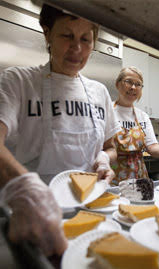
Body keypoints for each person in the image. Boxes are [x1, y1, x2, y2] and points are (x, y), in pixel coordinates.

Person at [0, 4, 120, 256]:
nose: (77, 48)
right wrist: (24, 188)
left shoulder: (99, 92)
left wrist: (104, 159)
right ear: (47, 34)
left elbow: (111, 147)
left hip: (89, 215)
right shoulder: (18, 82)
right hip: (29, 218)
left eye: (85, 39)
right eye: (67, 35)